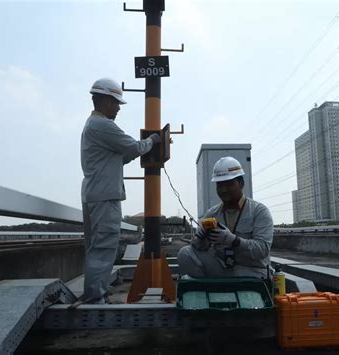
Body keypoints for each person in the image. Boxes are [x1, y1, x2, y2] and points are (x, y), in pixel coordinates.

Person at [81, 77, 160, 304]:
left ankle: (95, 296)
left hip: (94, 192)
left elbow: (121, 155)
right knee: (104, 248)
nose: (118, 109)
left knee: (96, 248)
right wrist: (153, 141)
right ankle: (96, 300)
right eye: (117, 104)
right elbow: (134, 146)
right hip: (105, 195)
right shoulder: (103, 125)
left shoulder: (92, 126)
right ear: (106, 101)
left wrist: (135, 151)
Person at [177, 156, 273, 278]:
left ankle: (220, 289)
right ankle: (209, 291)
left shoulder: (259, 211)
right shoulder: (212, 213)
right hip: (224, 269)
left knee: (245, 276)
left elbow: (263, 249)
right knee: (184, 254)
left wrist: (234, 240)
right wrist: (200, 238)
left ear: (241, 183)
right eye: (220, 185)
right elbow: (199, 249)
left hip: (252, 272)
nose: (224, 190)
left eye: (229, 184)